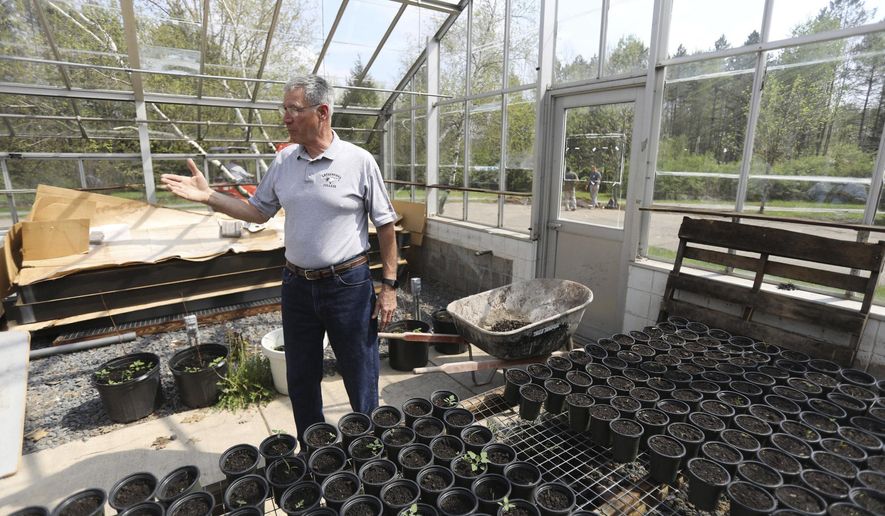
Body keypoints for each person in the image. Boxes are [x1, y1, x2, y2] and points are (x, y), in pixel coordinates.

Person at [160, 75, 399, 452]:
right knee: (301, 376)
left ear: (321, 113)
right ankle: (316, 450)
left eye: (294, 109)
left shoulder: (358, 161)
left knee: (360, 372)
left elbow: (386, 225)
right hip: (298, 286)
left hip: (348, 286)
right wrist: (211, 198)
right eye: (284, 109)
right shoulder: (285, 160)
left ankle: (368, 449)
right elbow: (258, 212)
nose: (285, 117)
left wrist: (389, 287)